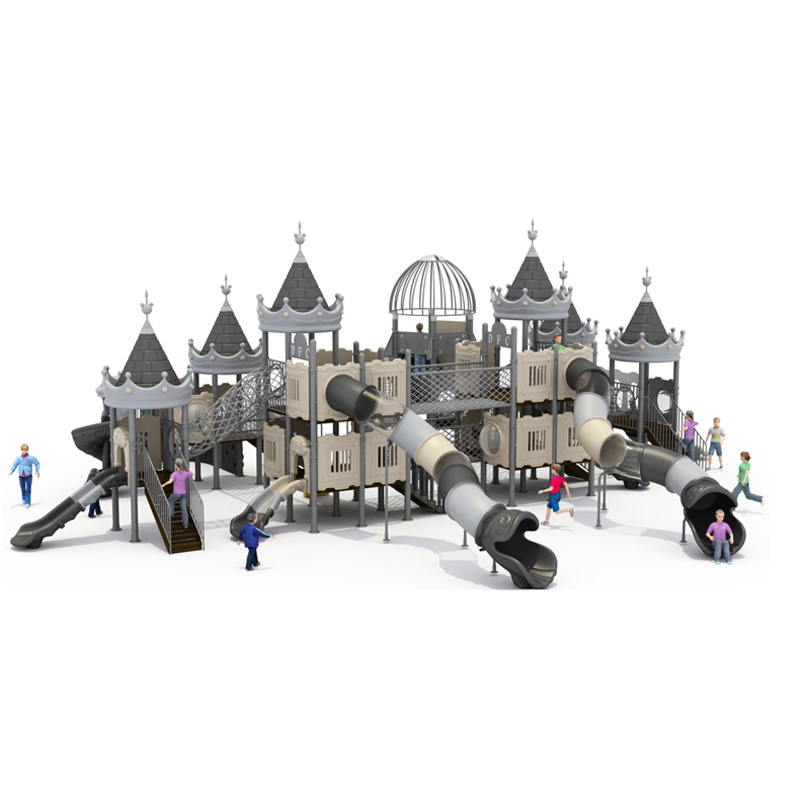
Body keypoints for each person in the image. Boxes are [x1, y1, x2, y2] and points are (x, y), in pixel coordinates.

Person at [161, 458, 194, 529]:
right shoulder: (185, 473)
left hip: (176, 493)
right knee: (184, 508)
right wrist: (188, 470)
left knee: (170, 500)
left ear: (176, 465)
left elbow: (170, 481)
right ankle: (185, 524)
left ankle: (171, 514)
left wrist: (164, 484)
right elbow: (193, 473)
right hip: (183, 494)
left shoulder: (174, 474)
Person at [9, 444, 41, 508]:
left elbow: (37, 463)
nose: (23, 451)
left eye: (25, 450)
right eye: (22, 450)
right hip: (21, 476)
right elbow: (14, 464)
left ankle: (27, 502)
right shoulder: (18, 458)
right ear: (21, 450)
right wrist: (11, 471)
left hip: (28, 475)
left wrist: (37, 471)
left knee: (28, 489)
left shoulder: (31, 458)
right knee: (22, 488)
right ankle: (24, 499)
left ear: (27, 450)